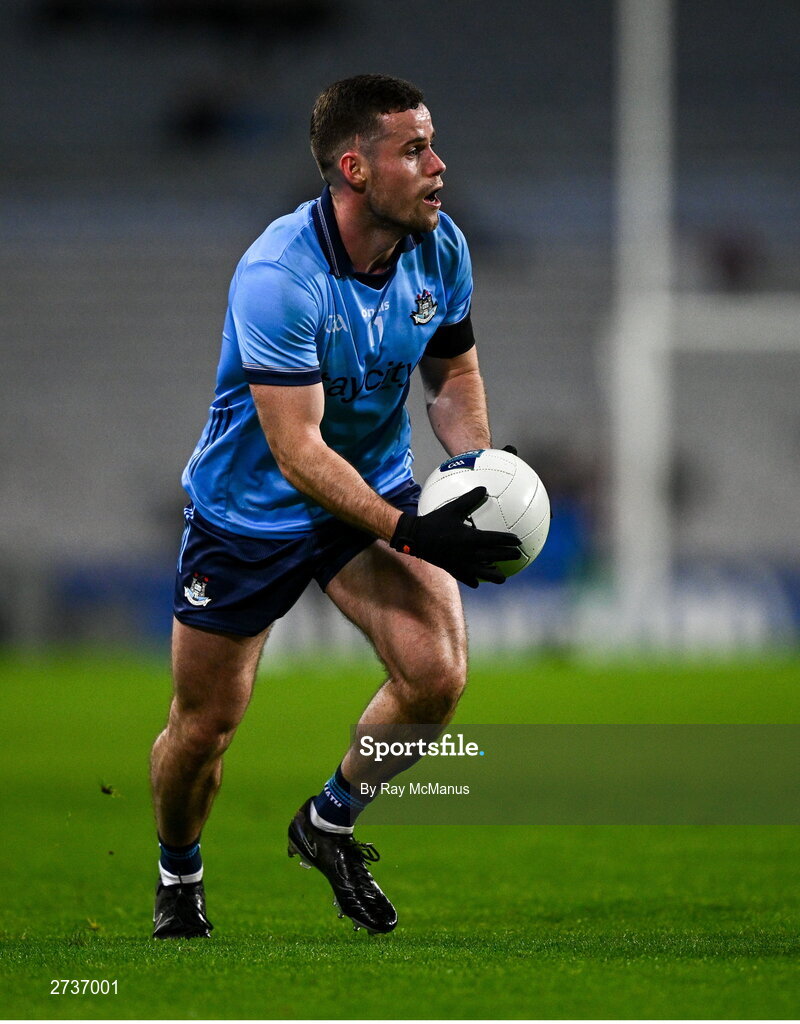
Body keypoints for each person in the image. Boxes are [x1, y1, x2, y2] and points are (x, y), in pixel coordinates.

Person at [150, 74, 520, 939]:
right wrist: (407, 526)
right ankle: (178, 870)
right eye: (414, 150)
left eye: (432, 143)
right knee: (204, 729)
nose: (438, 165)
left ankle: (328, 823)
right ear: (354, 168)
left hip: (373, 486)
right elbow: (297, 450)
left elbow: (453, 373)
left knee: (436, 674)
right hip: (251, 510)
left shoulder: (442, 248)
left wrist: (474, 471)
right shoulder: (279, 275)